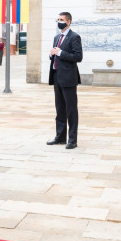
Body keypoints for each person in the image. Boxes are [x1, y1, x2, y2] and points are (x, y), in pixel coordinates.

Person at [47, 11, 83, 150]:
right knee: (60, 108)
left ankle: (72, 140)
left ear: (68, 22)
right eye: (58, 19)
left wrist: (60, 53)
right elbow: (56, 55)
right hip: (57, 77)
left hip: (69, 78)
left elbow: (78, 57)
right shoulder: (57, 37)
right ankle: (60, 137)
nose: (59, 22)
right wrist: (52, 55)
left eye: (61, 19)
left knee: (71, 109)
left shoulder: (75, 37)